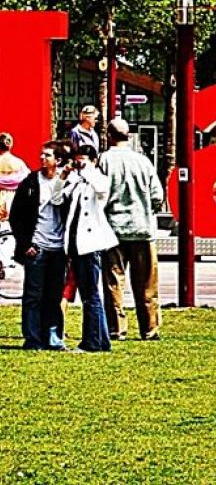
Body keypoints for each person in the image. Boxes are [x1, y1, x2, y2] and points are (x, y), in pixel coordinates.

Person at [99, 116, 166, 340]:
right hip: (142, 228)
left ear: (109, 135)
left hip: (112, 230)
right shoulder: (143, 161)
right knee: (147, 283)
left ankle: (117, 328)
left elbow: (99, 193)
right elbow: (157, 196)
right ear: (128, 136)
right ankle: (150, 328)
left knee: (113, 282)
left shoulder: (104, 160)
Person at [61, 141, 118, 352]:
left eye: (82, 161)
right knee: (89, 294)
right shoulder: (77, 182)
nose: (79, 165)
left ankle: (92, 342)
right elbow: (58, 198)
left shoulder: (98, 178)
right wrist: (65, 176)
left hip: (90, 244)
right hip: (76, 243)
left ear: (94, 161)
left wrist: (87, 170)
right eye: (77, 161)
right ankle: (101, 341)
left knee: (91, 295)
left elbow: (102, 189)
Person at [11, 143, 67, 350]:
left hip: (59, 247)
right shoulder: (31, 182)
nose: (42, 158)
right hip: (37, 246)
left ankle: (52, 336)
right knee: (33, 296)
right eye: (41, 155)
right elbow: (17, 216)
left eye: (48, 155)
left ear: (58, 160)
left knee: (54, 295)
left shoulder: (66, 182)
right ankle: (33, 338)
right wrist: (25, 244)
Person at [0, 132, 29, 283]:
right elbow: (26, 178)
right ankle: (5, 261)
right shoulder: (19, 163)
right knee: (9, 231)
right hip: (13, 198)